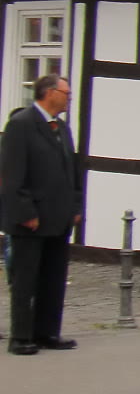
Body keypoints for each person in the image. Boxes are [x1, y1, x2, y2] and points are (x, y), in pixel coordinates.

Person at [4, 73, 81, 354]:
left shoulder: (61, 127)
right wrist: (25, 211)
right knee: (26, 280)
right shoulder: (21, 124)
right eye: (66, 93)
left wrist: (75, 205)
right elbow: (12, 174)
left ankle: (47, 332)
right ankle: (21, 336)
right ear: (50, 93)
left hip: (59, 217)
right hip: (31, 218)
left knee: (53, 278)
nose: (69, 98)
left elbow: (72, 169)